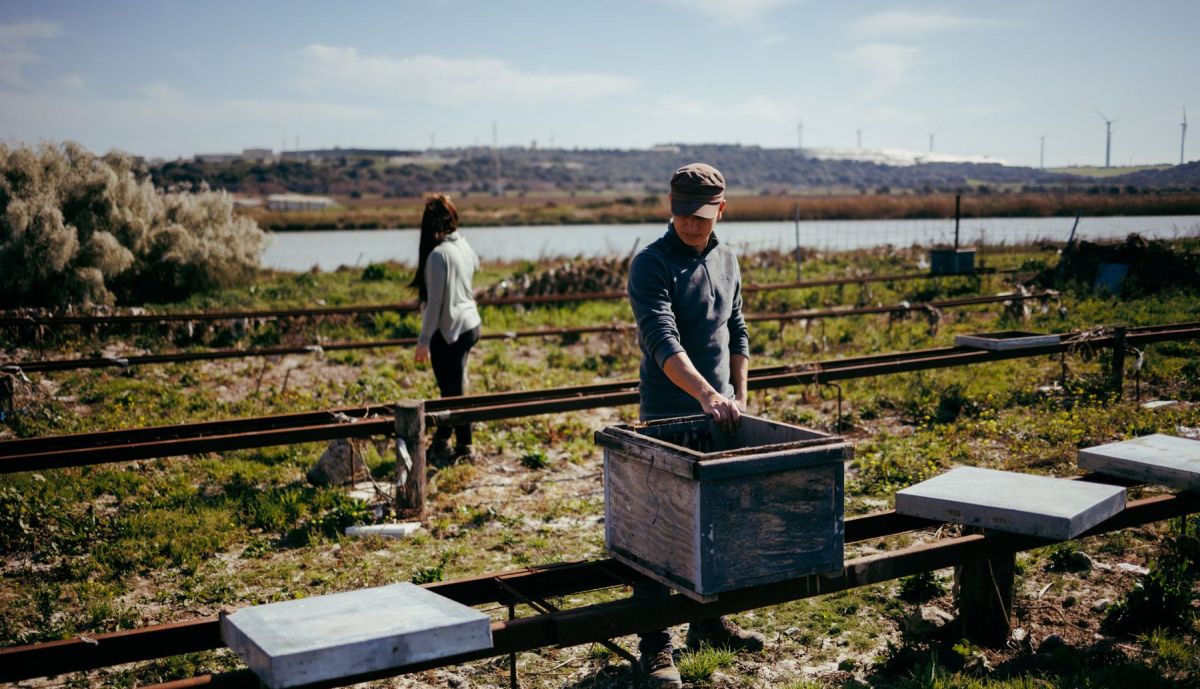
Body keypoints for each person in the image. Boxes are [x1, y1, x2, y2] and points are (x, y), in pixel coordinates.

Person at [626, 163, 764, 688]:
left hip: (721, 412)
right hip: (669, 415)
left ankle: (709, 621)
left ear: (720, 210)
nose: (690, 223)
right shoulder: (651, 264)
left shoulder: (727, 260)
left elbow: (737, 330)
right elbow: (661, 339)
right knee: (659, 530)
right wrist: (706, 395)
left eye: (701, 215)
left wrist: (738, 396)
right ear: (670, 205)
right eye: (682, 213)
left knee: (718, 520)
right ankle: (655, 646)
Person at [411, 194, 482, 462]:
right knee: (453, 388)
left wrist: (423, 340)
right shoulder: (463, 244)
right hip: (470, 323)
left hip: (451, 329)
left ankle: (463, 445)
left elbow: (435, 304)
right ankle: (446, 440)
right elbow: (476, 264)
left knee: (452, 391)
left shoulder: (438, 255)